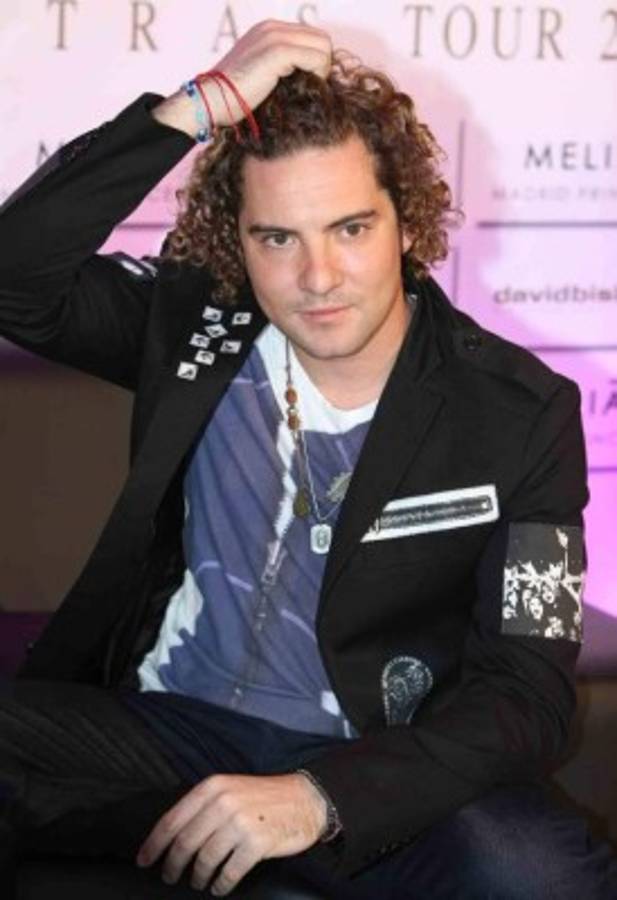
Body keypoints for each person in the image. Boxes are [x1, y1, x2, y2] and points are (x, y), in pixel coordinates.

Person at [0, 18, 615, 900]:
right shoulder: (197, 329)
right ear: (237, 241)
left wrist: (320, 800)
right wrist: (200, 105)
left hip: (372, 761)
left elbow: (527, 692)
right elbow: (14, 277)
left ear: (407, 223)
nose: (318, 277)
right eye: (277, 238)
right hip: (167, 729)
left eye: (350, 228)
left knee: (542, 879)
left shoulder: (515, 410)